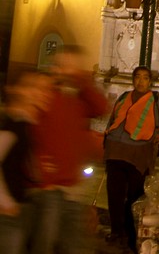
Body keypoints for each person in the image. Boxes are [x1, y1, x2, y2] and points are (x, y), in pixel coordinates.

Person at [28, 45, 108, 254]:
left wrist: (82, 81)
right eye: (64, 65)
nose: (68, 70)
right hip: (49, 187)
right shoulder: (46, 94)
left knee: (74, 244)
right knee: (45, 243)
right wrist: (41, 171)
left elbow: (101, 108)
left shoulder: (79, 98)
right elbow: (33, 132)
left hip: (74, 187)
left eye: (73, 66)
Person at [103, 66, 159, 251]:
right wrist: (107, 137)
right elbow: (114, 118)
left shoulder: (157, 99)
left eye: (145, 78)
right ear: (133, 80)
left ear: (150, 82)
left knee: (134, 197)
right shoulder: (124, 97)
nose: (140, 81)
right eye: (137, 77)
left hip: (139, 153)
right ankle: (116, 231)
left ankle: (132, 235)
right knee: (114, 194)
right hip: (115, 150)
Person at [0, 68, 51, 254]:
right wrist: (5, 202)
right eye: (34, 88)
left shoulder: (27, 123)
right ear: (17, 90)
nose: (41, 93)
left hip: (21, 207)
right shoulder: (13, 124)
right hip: (9, 213)